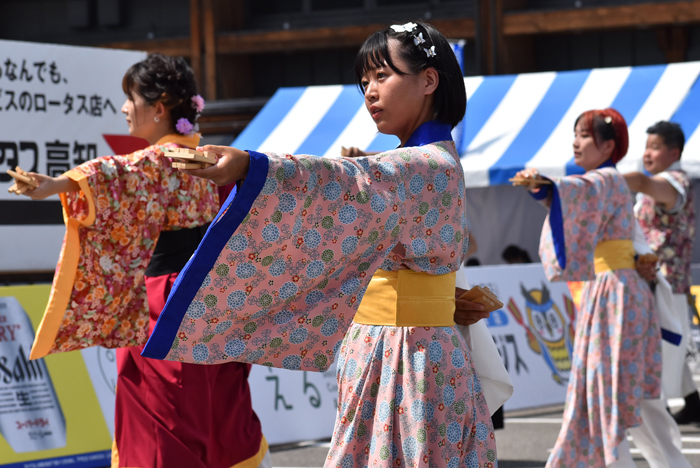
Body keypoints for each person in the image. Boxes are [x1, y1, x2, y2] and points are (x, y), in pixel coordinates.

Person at [141, 22, 498, 467]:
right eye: (364, 81)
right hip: (396, 348)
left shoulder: (425, 165)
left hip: (408, 356)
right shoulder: (422, 163)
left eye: (383, 76)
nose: (369, 91)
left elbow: (345, 181)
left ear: (428, 80)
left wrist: (254, 168)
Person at [14, 54, 269, 468]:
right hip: (215, 299)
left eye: (130, 98)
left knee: (161, 415)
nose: (124, 108)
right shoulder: (212, 159)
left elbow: (111, 174)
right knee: (216, 404)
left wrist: (55, 185)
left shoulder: (157, 161)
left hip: (165, 300)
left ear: (160, 106)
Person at [515, 108, 690, 467]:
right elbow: (583, 198)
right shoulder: (608, 184)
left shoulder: (611, 180)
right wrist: (549, 191)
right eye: (575, 134)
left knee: (607, 388)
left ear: (608, 144)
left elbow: (580, 190)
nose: (575, 142)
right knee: (626, 393)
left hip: (619, 293)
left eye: (583, 135)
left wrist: (548, 186)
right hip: (619, 290)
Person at [624, 121, 700, 425]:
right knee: (671, 350)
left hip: (665, 282)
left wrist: (600, 180)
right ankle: (690, 403)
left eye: (654, 147)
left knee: (662, 349)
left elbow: (642, 183)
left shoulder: (674, 182)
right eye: (646, 147)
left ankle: (659, 416)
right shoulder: (664, 181)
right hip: (656, 280)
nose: (647, 154)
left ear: (674, 151)